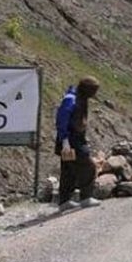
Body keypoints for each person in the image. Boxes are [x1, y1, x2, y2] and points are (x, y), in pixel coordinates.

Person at [55, 77, 101, 210]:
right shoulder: (71, 99)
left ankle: (65, 201)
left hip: (76, 139)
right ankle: (86, 197)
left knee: (69, 170)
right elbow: (61, 120)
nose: (94, 94)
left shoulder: (81, 98)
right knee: (88, 166)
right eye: (93, 91)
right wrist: (65, 141)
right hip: (70, 140)